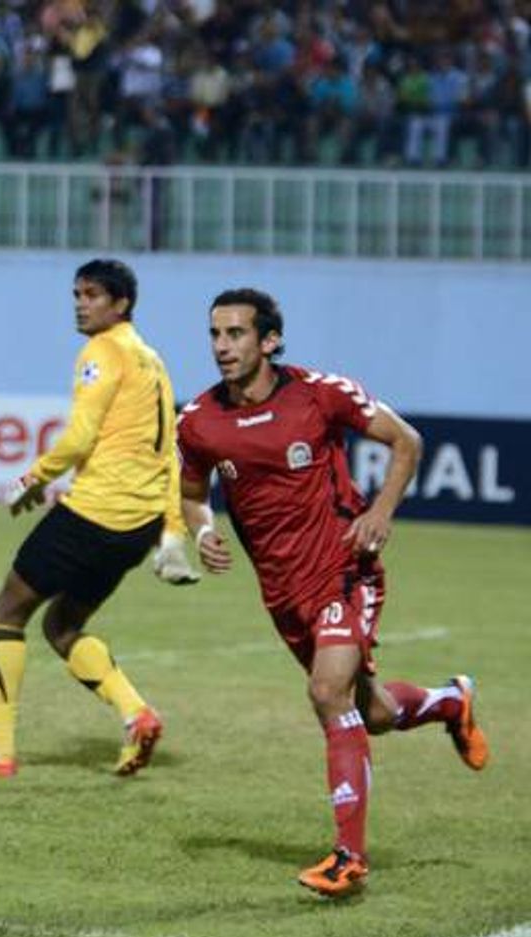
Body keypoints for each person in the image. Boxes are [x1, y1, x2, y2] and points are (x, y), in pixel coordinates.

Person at [177, 288, 487, 898]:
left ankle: (349, 858)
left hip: (345, 568)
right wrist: (206, 530)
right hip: (282, 591)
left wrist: (381, 511)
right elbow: (191, 494)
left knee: (325, 691)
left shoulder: (320, 393)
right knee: (369, 713)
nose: (222, 347)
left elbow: (407, 441)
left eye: (236, 334)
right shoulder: (200, 421)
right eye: (215, 334)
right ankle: (451, 702)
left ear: (269, 340)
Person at [0, 259, 190, 781]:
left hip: (95, 510)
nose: (81, 303)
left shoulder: (100, 353)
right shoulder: (152, 360)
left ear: (120, 304)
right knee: (63, 625)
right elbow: (172, 448)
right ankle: (136, 713)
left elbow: (80, 437)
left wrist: (30, 478)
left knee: (7, 610)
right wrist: (171, 527)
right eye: (77, 293)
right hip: (138, 524)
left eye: (93, 294)